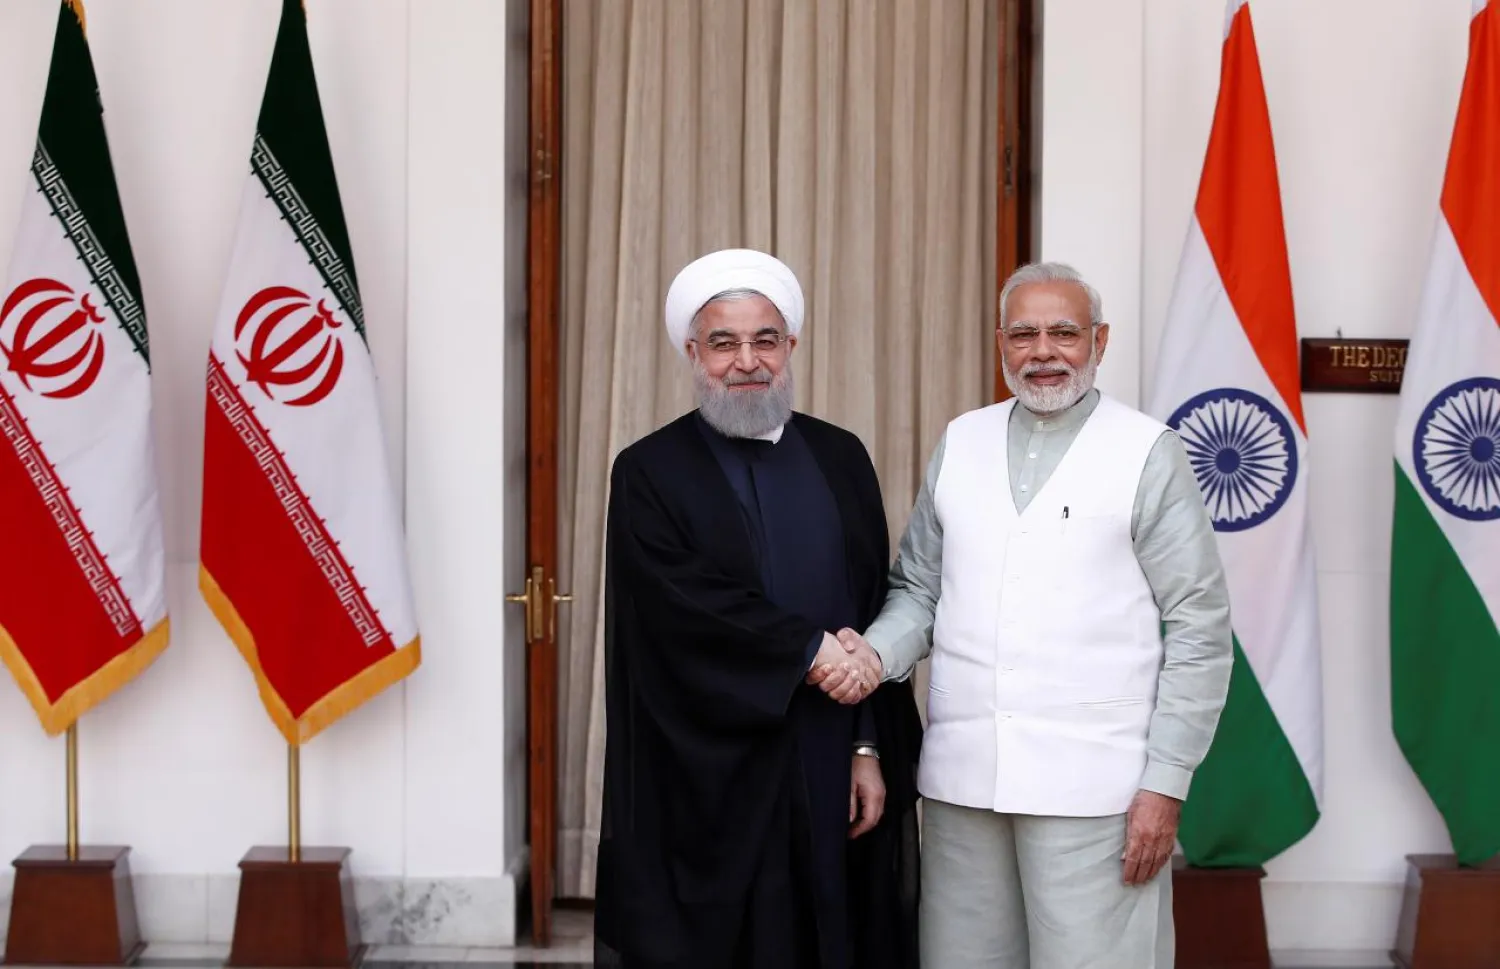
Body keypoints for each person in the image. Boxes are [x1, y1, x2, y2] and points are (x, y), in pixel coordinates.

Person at [815, 261, 1234, 968]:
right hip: (963, 787)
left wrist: (1167, 781)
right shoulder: (963, 439)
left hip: (1097, 791)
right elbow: (919, 586)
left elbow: (1201, 626)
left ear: (1100, 339)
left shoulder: (1147, 452)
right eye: (1025, 334)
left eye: (1064, 332)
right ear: (1000, 344)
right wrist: (872, 657)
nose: (1043, 351)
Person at [593, 248, 923, 969]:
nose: (747, 360)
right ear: (693, 352)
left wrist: (868, 746)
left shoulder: (841, 456)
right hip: (709, 771)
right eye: (724, 342)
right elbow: (681, 608)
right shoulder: (649, 469)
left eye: (764, 340)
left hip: (833, 750)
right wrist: (808, 650)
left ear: (791, 347)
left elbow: (870, 608)